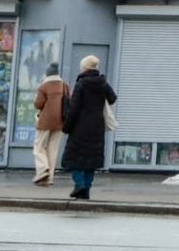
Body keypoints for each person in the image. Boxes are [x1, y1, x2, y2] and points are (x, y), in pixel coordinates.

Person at [61, 55, 116, 201]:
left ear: (84, 67)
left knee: (74, 157)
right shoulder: (102, 82)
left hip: (80, 126)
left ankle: (80, 185)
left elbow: (73, 108)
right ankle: (86, 190)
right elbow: (112, 98)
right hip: (97, 126)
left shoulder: (81, 84)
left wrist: (66, 126)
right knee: (91, 160)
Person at [32, 62, 69, 186]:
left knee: (39, 146)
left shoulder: (44, 87)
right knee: (53, 149)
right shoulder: (65, 86)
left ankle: (42, 170)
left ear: (47, 73)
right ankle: (50, 178)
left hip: (45, 121)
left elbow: (37, 104)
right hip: (60, 121)